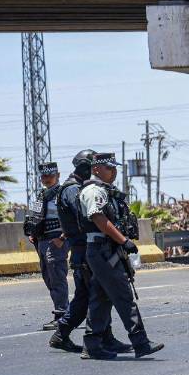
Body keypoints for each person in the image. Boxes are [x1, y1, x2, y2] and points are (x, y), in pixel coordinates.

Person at [77, 152, 164, 360]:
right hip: (101, 249)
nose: (114, 172)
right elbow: (98, 218)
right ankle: (140, 342)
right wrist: (123, 240)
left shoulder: (107, 191)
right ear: (96, 169)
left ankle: (92, 345)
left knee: (100, 297)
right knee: (123, 295)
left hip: (108, 250)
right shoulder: (92, 191)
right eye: (109, 168)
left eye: (115, 168)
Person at [48, 150, 131, 354]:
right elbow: (87, 219)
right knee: (95, 295)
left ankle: (102, 337)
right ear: (87, 167)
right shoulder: (73, 190)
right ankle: (75, 335)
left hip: (84, 249)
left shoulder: (75, 188)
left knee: (94, 295)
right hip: (84, 250)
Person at [24, 162, 68, 330]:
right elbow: (35, 217)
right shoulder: (42, 195)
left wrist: (62, 238)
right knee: (48, 277)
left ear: (58, 176)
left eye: (50, 176)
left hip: (56, 240)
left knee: (57, 276)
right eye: (43, 176)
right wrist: (32, 233)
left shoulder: (63, 193)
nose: (46, 179)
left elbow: (72, 219)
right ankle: (66, 309)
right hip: (41, 241)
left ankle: (62, 314)